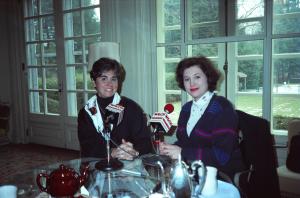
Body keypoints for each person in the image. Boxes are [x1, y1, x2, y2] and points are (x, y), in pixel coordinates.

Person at [159, 56, 245, 178]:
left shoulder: (222, 108)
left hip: (220, 175)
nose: (191, 83)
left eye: (197, 77)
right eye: (187, 79)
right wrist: (171, 148)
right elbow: (185, 141)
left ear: (208, 78)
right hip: (194, 171)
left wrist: (182, 152)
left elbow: (221, 156)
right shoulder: (186, 108)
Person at [78, 57, 153, 160]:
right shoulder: (86, 112)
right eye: (104, 79)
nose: (110, 84)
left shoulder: (131, 108)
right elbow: (87, 146)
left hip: (129, 165)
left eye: (113, 79)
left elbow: (145, 141)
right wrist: (112, 152)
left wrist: (134, 151)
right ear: (94, 82)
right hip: (97, 165)